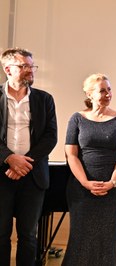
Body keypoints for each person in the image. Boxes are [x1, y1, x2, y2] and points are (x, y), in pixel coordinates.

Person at [62, 73, 116, 266]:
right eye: (102, 90)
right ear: (89, 94)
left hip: (113, 189)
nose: (108, 94)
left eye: (109, 89)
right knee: (81, 237)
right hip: (81, 188)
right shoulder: (77, 119)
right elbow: (72, 154)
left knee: (108, 239)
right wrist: (84, 182)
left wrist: (112, 182)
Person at [0, 48, 57, 265]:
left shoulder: (44, 99)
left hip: (32, 177)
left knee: (29, 237)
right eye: (24, 66)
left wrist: (23, 163)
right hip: (1, 174)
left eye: (31, 66)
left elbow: (50, 137)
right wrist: (9, 158)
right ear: (8, 69)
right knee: (0, 235)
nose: (30, 71)